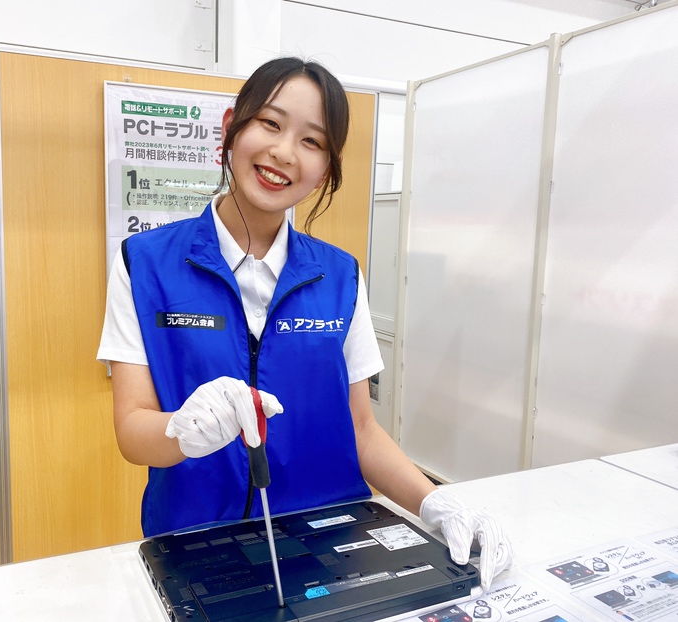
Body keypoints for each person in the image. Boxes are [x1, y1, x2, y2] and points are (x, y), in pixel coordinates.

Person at [97, 56, 513, 591]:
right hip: (197, 548)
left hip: (332, 546)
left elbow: (361, 428)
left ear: (325, 171)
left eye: (312, 141)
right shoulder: (144, 263)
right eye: (270, 123)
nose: (284, 152)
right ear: (231, 128)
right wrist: (181, 429)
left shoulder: (340, 275)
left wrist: (434, 501)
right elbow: (132, 430)